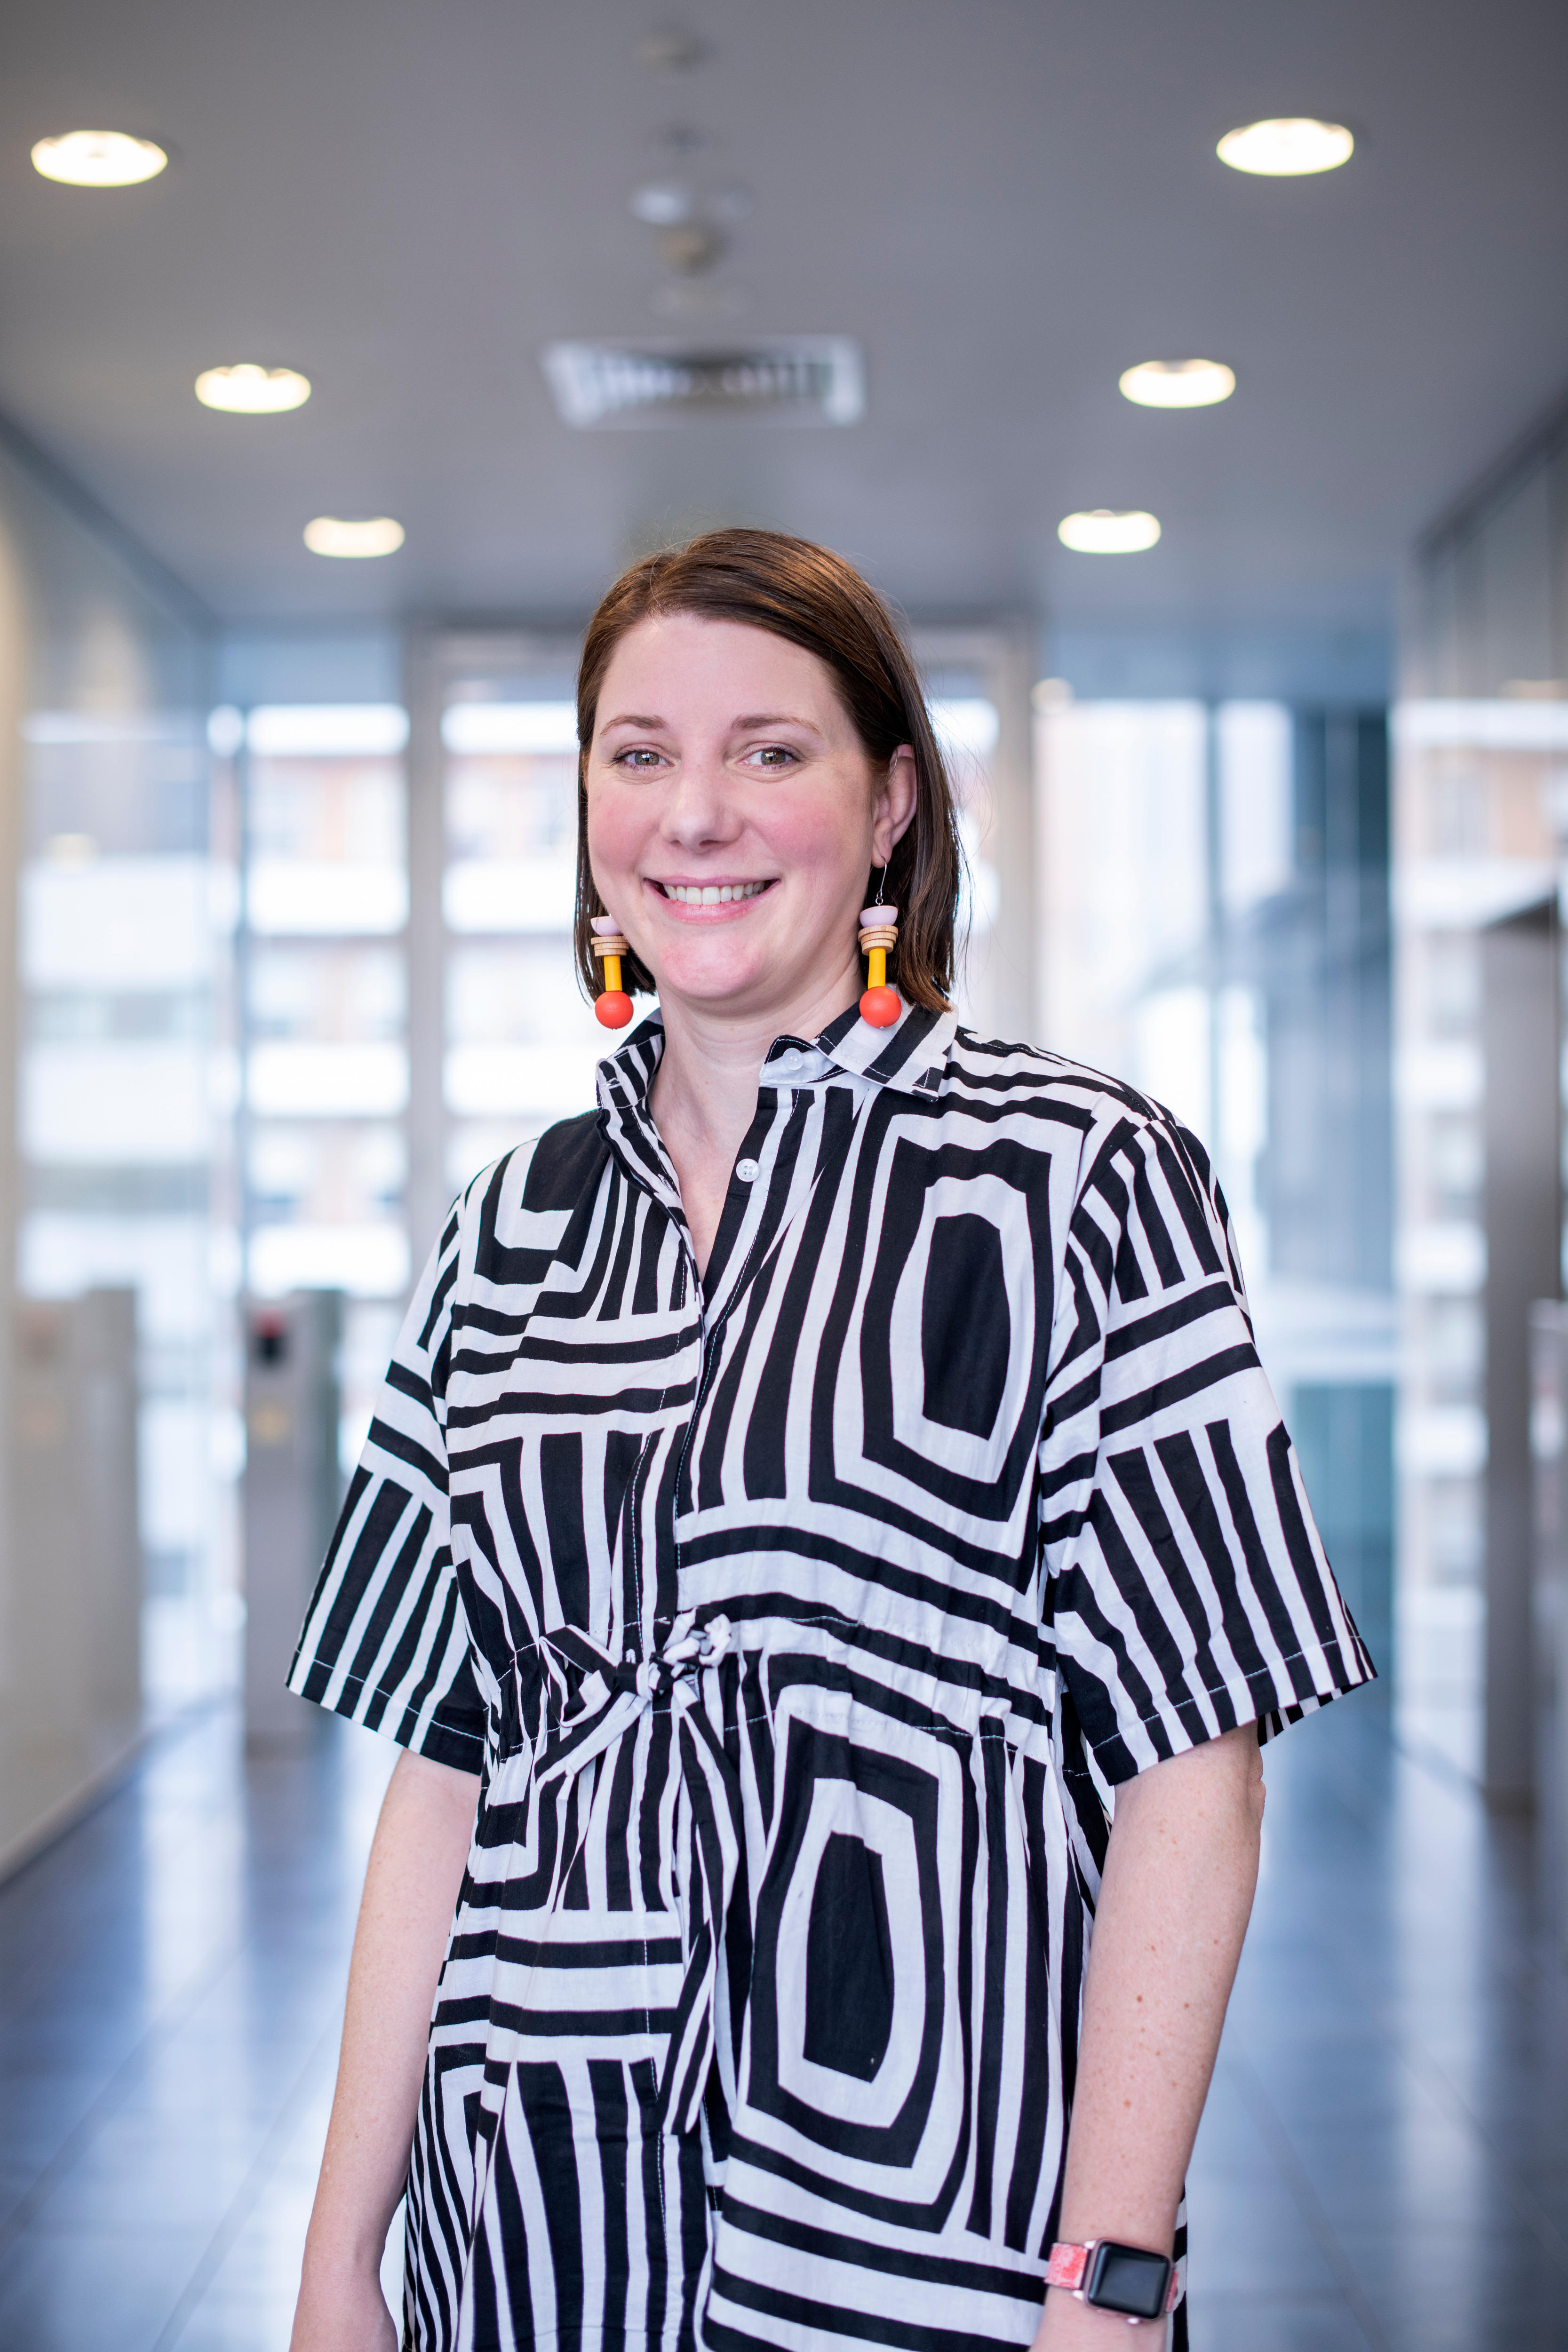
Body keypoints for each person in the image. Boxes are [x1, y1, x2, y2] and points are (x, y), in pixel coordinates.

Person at [287, 529, 1372, 2352]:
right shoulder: (508, 1230)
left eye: (769, 751)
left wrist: (1113, 2280)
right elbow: (445, 1766)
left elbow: (1201, 1764)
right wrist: (340, 2253)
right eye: (638, 754)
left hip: (939, 2250)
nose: (693, 813)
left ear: (889, 810)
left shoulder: (1078, 1177)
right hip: (536, 2235)